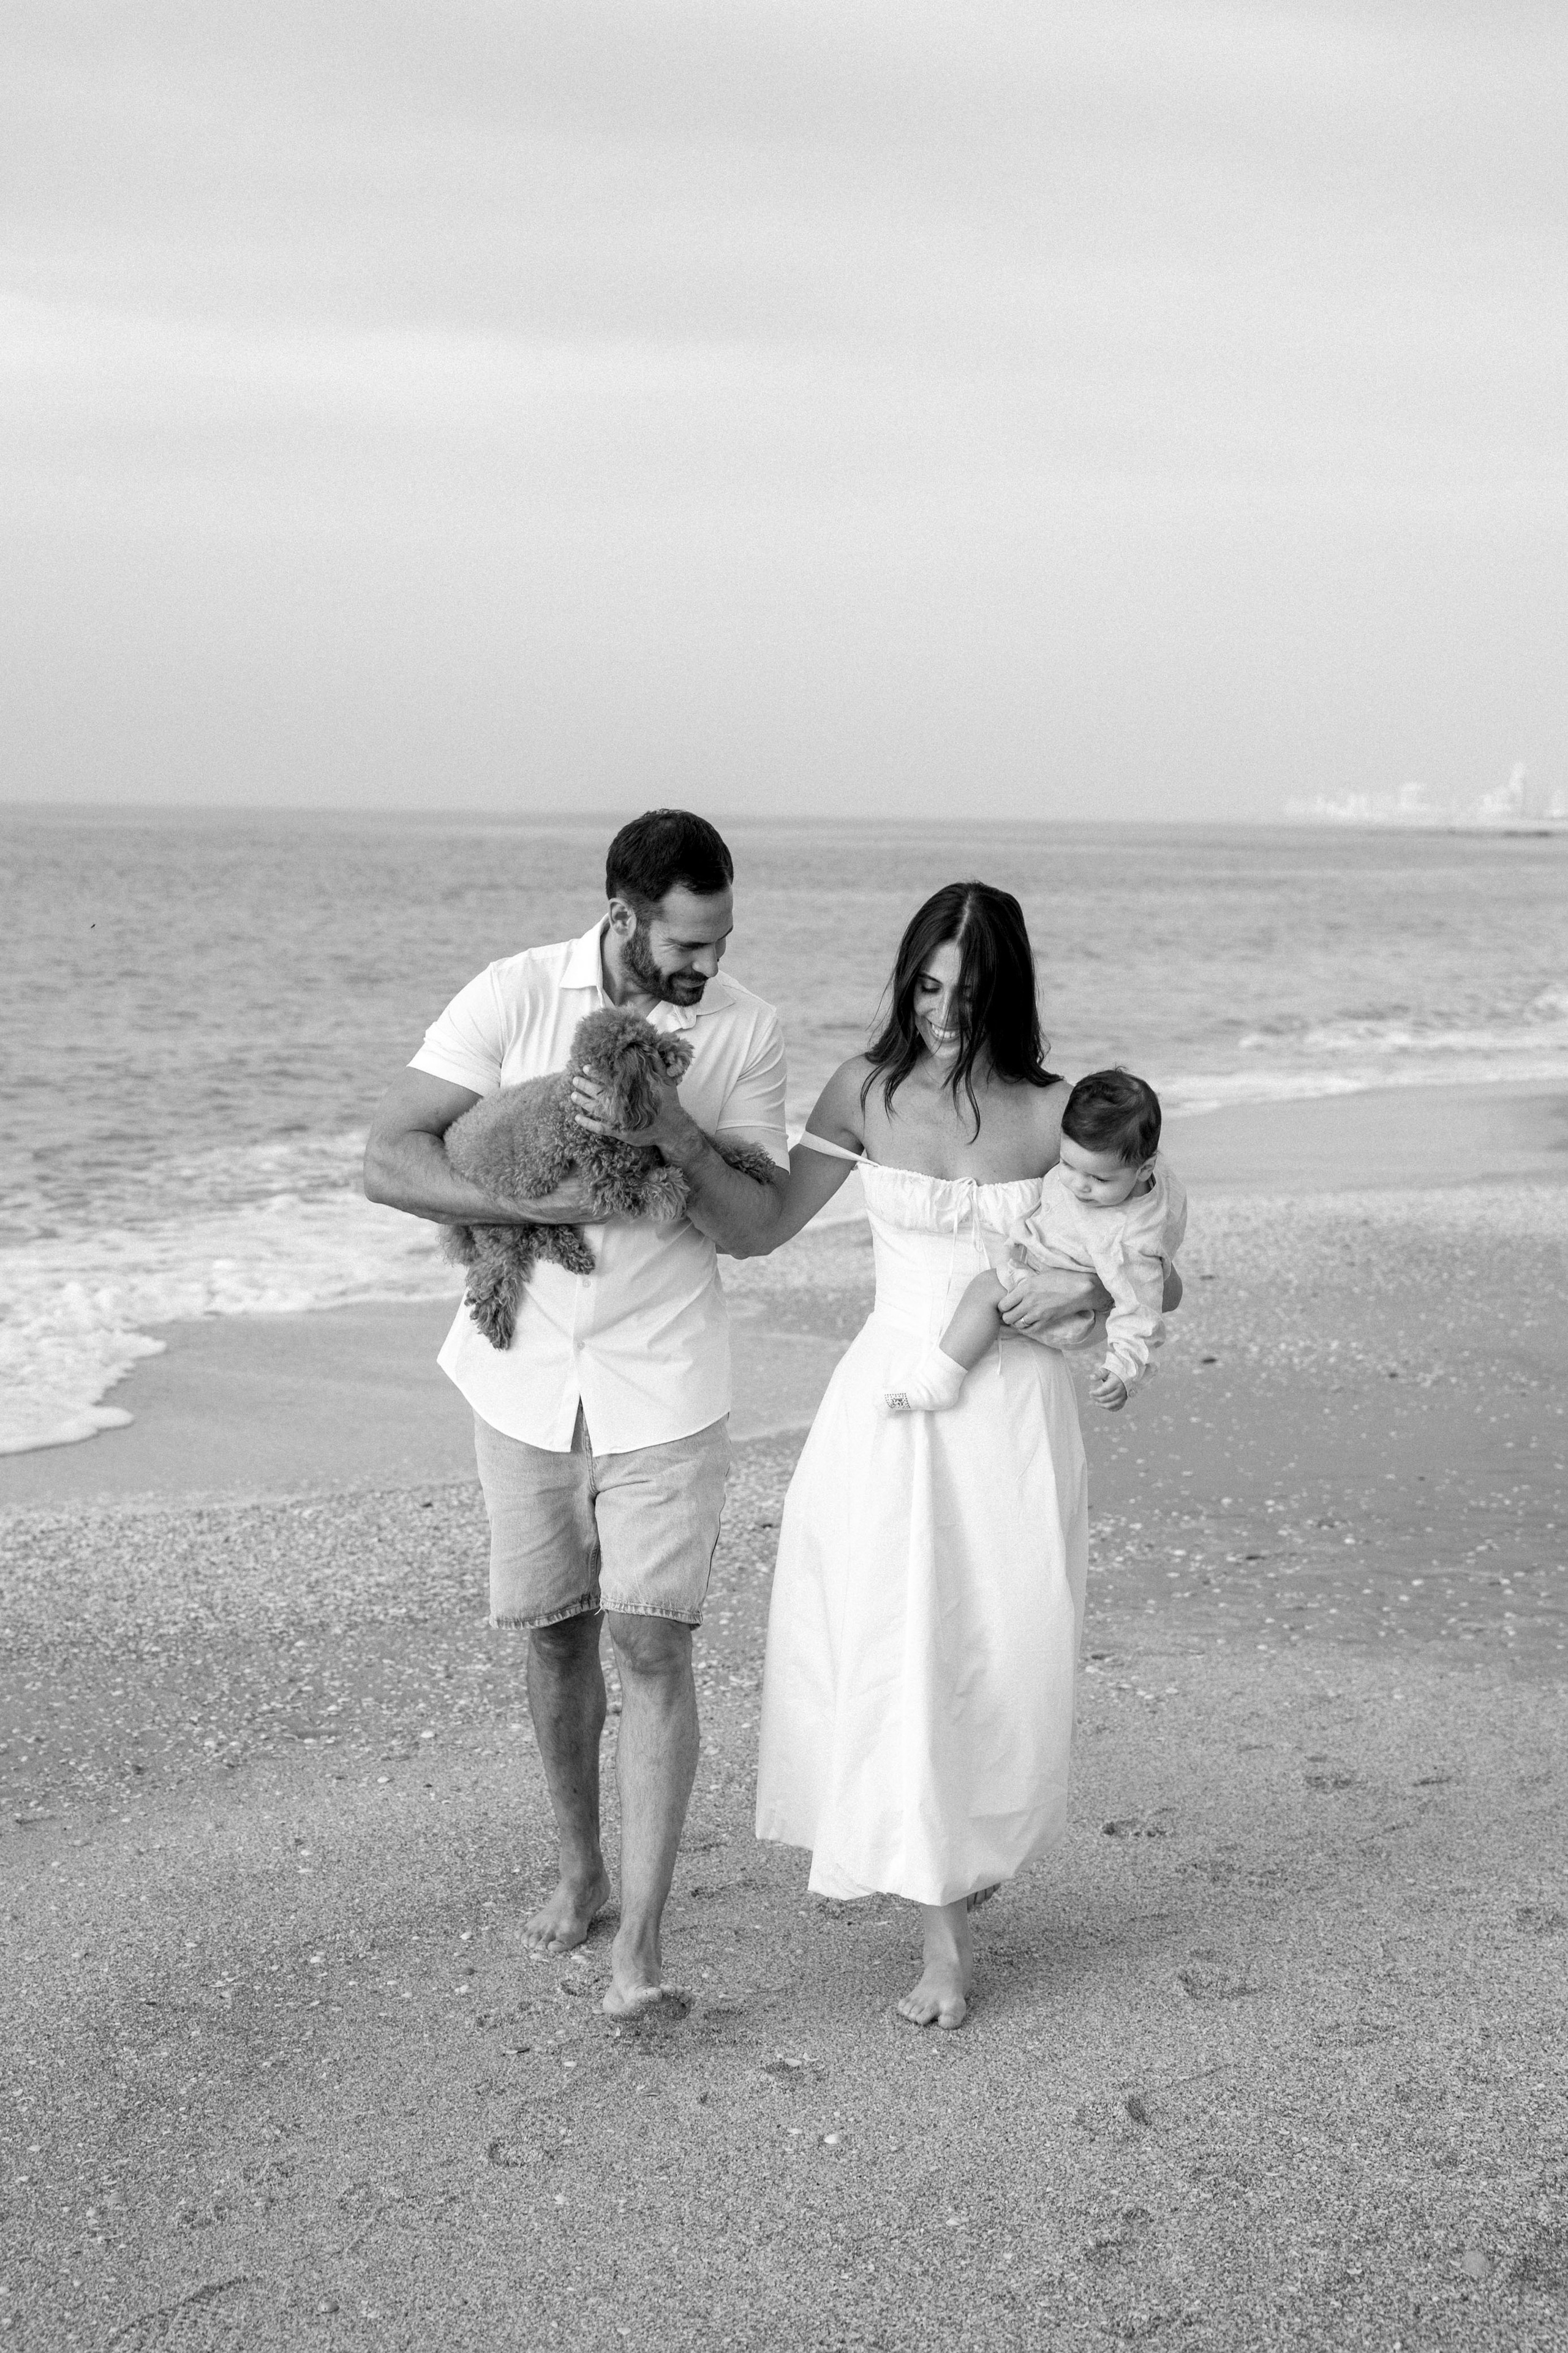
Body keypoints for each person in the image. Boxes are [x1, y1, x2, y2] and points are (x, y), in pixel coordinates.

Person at [363, 810, 788, 2017]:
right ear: (621, 918)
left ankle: (640, 1951)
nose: (702, 969)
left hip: (664, 1378)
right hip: (520, 1374)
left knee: (651, 1645)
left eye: (716, 942)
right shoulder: (511, 995)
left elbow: (753, 1228)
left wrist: (670, 1131)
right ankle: (580, 1872)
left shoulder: (745, 1029)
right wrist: (524, 1207)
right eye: (683, 945)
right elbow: (386, 1155)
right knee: (553, 1633)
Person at [750, 883, 1180, 2030]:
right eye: (929, 985)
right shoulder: (864, 1089)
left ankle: (970, 1840)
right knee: (899, 1642)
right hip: (894, 1395)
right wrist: (661, 1140)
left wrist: (1102, 1299)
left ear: (1009, 993)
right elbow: (758, 1227)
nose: (944, 1011)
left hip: (1015, 1406)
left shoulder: (1055, 1114)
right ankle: (940, 1936)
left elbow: (1145, 1255)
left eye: (970, 991)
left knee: (1008, 1645)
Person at [883, 1067, 1186, 1417]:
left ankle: (939, 1381)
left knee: (987, 1288)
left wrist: (1124, 1371)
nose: (1078, 1185)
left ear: (1145, 1169)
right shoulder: (1146, 1172)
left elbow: (1142, 1308)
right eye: (1067, 1165)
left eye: (1099, 1179)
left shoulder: (1129, 1243)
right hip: (1066, 1263)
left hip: (1072, 1313)